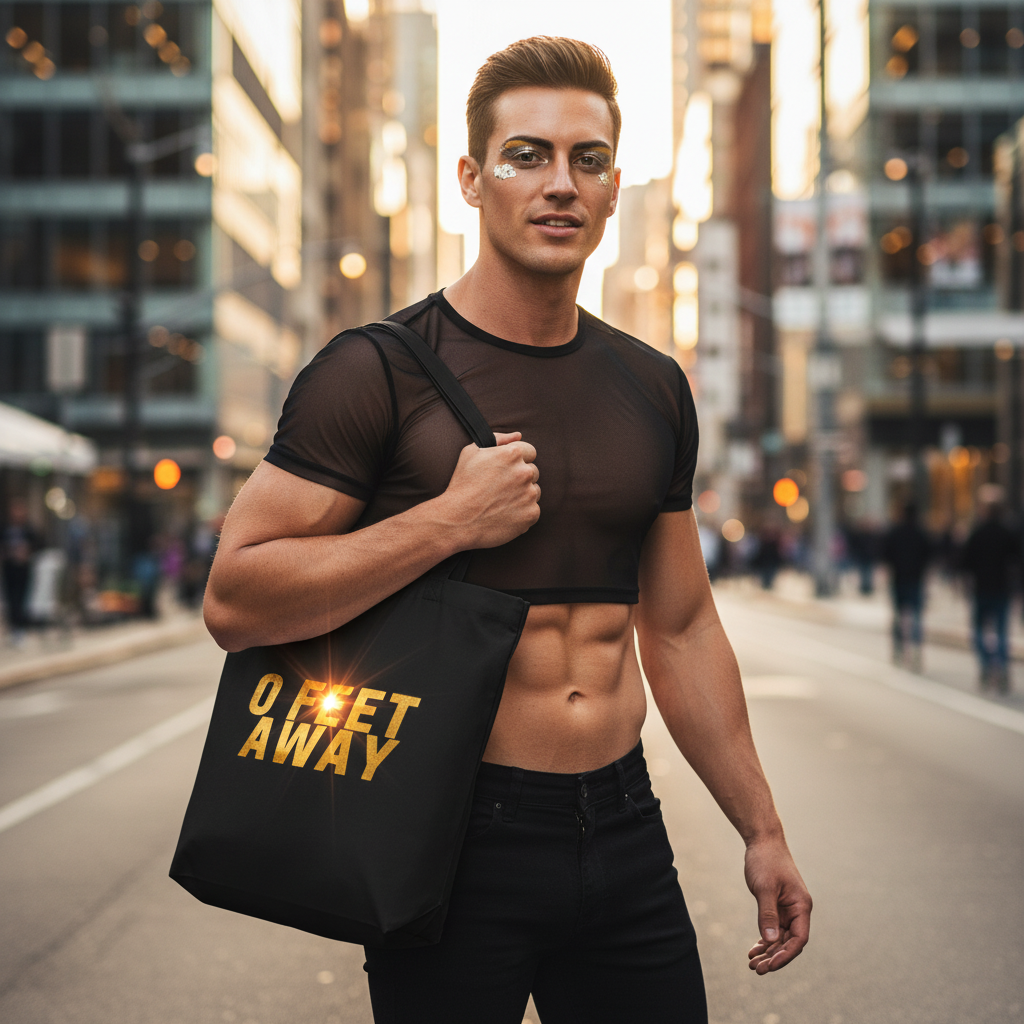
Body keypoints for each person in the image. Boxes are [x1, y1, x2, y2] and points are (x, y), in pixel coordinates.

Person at [204, 37, 810, 1024]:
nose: (559, 183)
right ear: (471, 179)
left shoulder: (654, 386)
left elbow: (681, 626)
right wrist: (445, 523)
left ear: (613, 191)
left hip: (623, 825)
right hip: (451, 832)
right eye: (526, 155)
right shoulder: (375, 371)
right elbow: (235, 597)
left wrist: (762, 829)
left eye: (587, 159)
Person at [960, 502, 1020, 693]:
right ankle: (1001, 668)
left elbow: (966, 561)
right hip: (1001, 588)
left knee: (979, 630)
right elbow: (1016, 559)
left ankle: (986, 666)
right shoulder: (1007, 533)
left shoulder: (977, 533)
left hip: (981, 588)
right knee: (1001, 632)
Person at [881, 502, 931, 671]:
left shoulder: (895, 532)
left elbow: (886, 555)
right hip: (915, 580)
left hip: (899, 579)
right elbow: (928, 556)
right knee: (916, 618)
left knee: (898, 617)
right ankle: (916, 650)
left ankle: (898, 650)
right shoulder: (921, 533)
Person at [2, 496, 42, 645]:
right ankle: (13, 628)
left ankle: (21, 628)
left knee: (22, 598)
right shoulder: (5, 528)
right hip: (9, 567)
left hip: (24, 568)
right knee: (11, 598)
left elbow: (38, 544)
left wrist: (27, 552)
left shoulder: (29, 529)